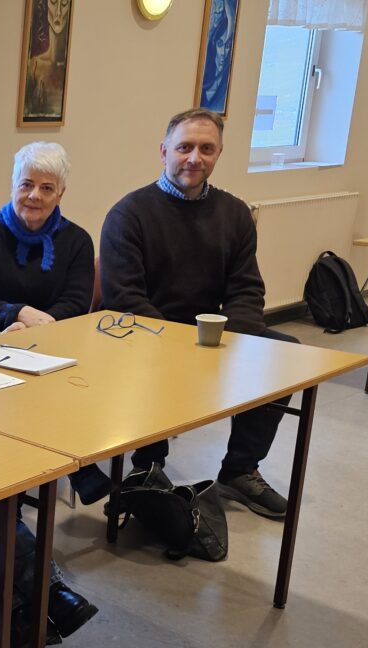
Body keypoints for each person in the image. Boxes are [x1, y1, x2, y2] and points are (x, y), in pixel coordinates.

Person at [0, 142, 101, 648]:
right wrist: (17, 315)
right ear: (12, 184)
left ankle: (22, 613)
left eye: (46, 187)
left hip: (45, 354)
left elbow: (76, 303)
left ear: (61, 193)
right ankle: (43, 593)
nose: (34, 195)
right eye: (26, 184)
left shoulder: (76, 241)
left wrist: (33, 331)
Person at [100, 108, 300, 519]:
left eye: (206, 149)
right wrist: (181, 346)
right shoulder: (129, 214)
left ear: (219, 154)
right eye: (184, 148)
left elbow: (247, 289)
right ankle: (148, 467)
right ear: (164, 152)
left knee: (284, 353)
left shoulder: (235, 213)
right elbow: (124, 299)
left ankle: (240, 470)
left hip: (211, 336)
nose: (195, 158)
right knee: (148, 362)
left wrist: (229, 340)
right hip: (143, 336)